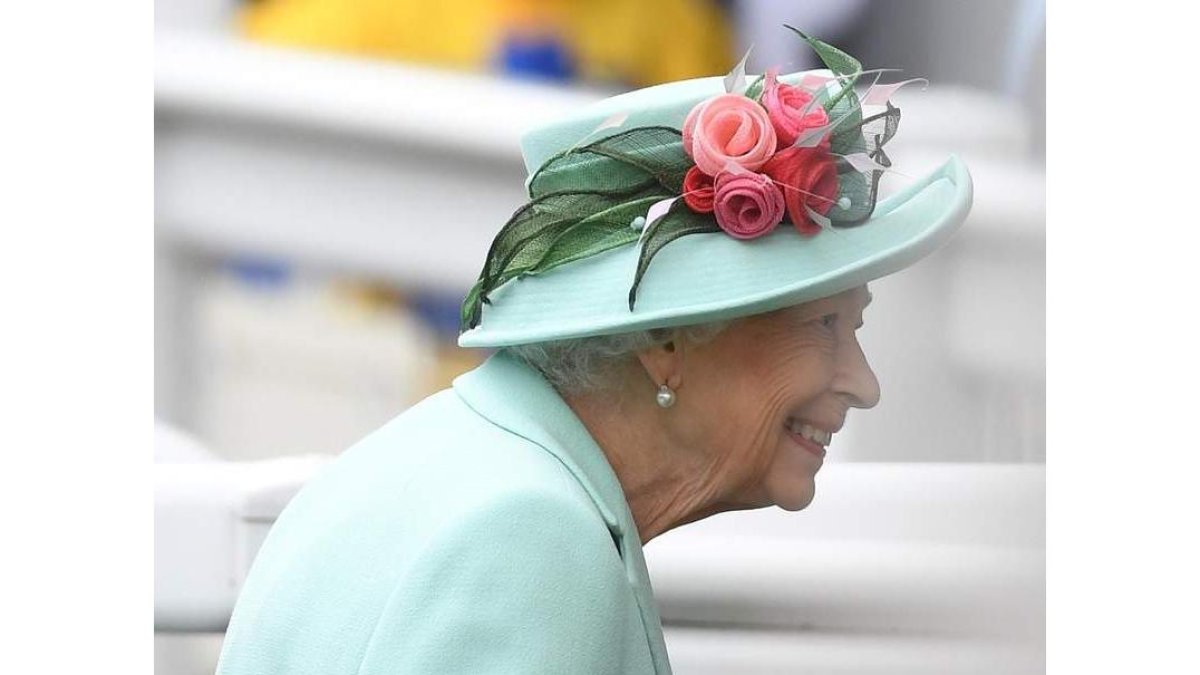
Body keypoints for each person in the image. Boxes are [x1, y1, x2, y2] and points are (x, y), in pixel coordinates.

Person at [215, 30, 972, 675]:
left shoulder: (435, 458)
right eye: (825, 328)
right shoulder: (529, 534)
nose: (863, 383)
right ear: (667, 342)